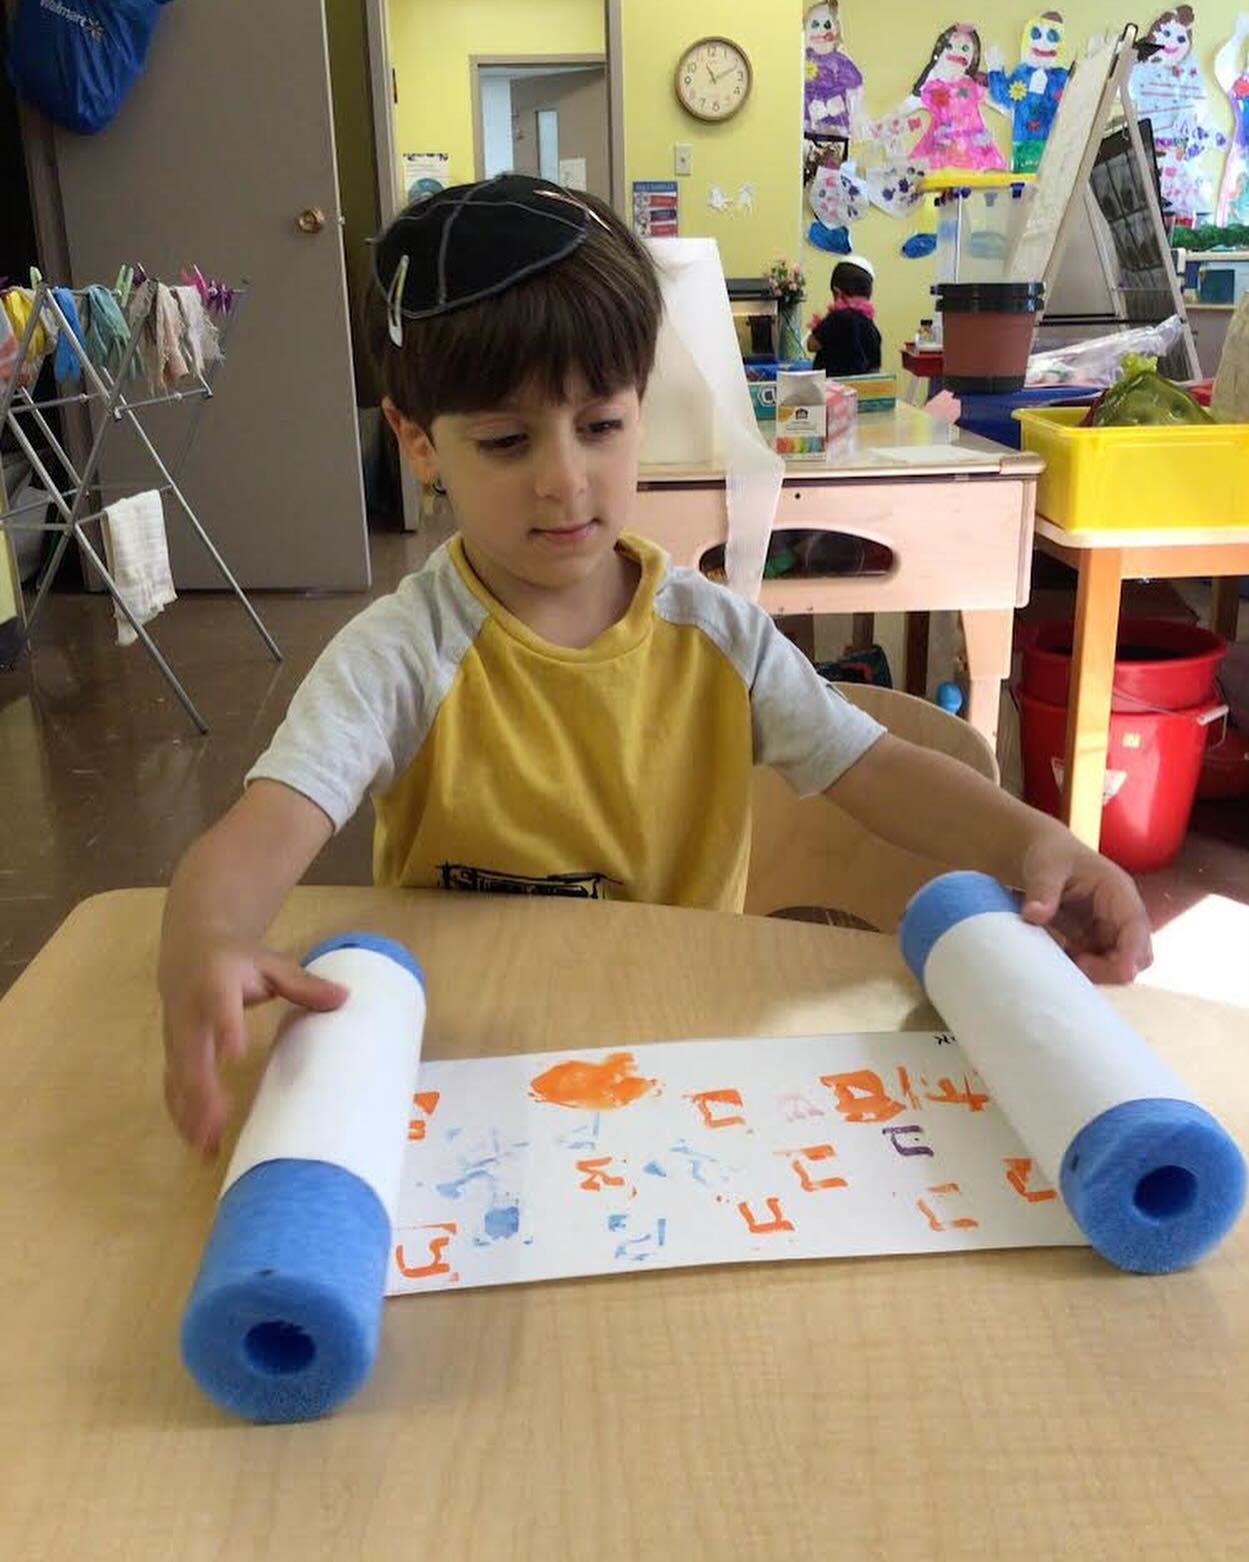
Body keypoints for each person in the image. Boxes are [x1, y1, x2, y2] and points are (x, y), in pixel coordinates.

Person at [158, 174, 1152, 1155]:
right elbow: (255, 840)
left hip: (681, 1051)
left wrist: (1034, 843)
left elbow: (878, 769)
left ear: (640, 406)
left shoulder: (715, 635)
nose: (564, 478)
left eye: (601, 424)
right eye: (506, 441)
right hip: (461, 1069)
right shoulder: (397, 655)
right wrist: (207, 938)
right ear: (418, 443)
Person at [807, 256, 882, 376]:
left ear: (837, 292)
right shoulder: (869, 323)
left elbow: (812, 345)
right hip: (861, 390)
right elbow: (875, 367)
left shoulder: (837, 317)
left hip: (832, 388)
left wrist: (818, 326)